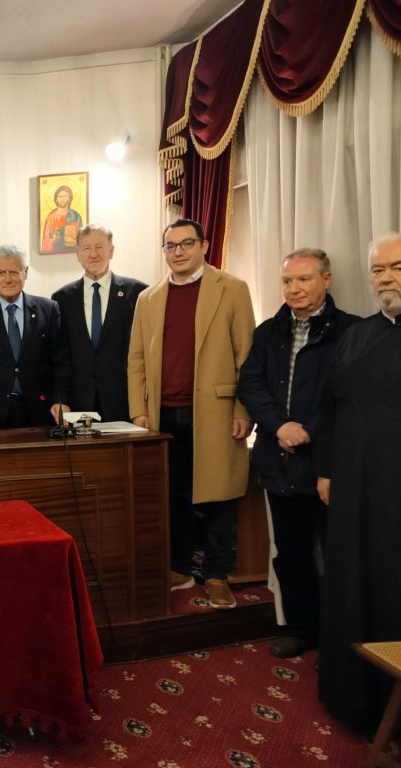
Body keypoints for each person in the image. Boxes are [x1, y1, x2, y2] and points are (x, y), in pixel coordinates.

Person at [315, 233, 401, 734]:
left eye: (399, 267)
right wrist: (327, 470)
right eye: (378, 270)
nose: (386, 278)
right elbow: (332, 409)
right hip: (354, 493)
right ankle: (352, 698)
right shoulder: (356, 335)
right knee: (354, 587)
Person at [127, 218, 255, 609]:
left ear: (203, 246)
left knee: (218, 497)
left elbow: (247, 356)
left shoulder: (232, 289)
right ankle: (180, 568)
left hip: (216, 412)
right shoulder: (148, 297)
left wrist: (243, 409)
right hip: (162, 415)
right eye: (170, 246)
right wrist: (138, 412)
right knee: (172, 496)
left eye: (186, 244)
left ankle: (217, 576)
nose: (178, 252)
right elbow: (136, 359)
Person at [237, 249, 358, 658]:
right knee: (291, 554)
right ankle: (302, 629)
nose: (294, 288)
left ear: (327, 280)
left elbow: (348, 396)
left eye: (304, 279)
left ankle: (338, 642)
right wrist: (279, 426)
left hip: (328, 465)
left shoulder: (351, 331)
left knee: (337, 557)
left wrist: (308, 430)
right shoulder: (268, 332)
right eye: (287, 281)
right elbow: (251, 384)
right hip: (279, 460)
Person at [0, 244, 71, 429]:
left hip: (41, 412)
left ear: (25, 272)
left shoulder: (49, 310)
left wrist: (61, 400)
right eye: (1, 273)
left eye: (14, 272)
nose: (8, 279)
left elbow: (62, 362)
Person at [52, 224, 145, 421]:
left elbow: (144, 353)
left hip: (125, 401)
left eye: (99, 247)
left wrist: (142, 407)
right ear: (78, 254)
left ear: (111, 250)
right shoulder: (62, 298)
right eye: (86, 248)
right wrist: (61, 399)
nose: (93, 254)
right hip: (78, 402)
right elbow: (61, 355)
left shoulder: (138, 292)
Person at [40, 185, 83, 253]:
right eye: (59, 196)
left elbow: (81, 239)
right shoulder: (50, 217)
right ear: (56, 199)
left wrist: (73, 240)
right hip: (54, 252)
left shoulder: (76, 216)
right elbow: (45, 239)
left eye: (65, 196)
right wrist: (52, 240)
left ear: (69, 198)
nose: (62, 199)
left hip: (71, 252)